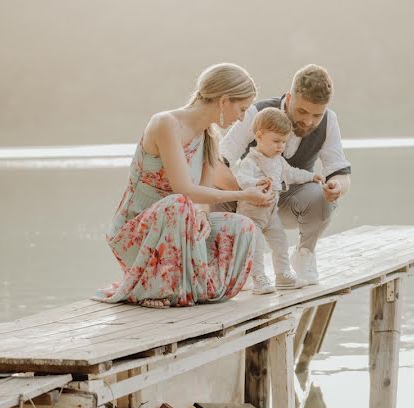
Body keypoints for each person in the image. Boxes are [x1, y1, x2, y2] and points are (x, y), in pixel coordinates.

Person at [96, 63, 273, 308]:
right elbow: (184, 189)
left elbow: (201, 196)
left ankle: (194, 290)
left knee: (242, 226)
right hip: (138, 231)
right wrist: (245, 194)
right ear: (223, 101)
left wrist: (200, 214)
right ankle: (153, 288)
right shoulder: (165, 124)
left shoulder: (209, 137)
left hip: (181, 223)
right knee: (178, 205)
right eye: (241, 109)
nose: (241, 118)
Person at [218, 64, 351, 285]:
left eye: (316, 115)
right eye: (302, 111)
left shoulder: (329, 120)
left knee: (320, 196)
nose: (309, 121)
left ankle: (304, 255)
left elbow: (340, 172)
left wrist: (337, 187)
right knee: (217, 189)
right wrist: (245, 193)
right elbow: (219, 160)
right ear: (289, 98)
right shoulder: (256, 113)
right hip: (248, 204)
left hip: (289, 201)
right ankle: (234, 261)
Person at [235, 107, 324, 294]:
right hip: (252, 215)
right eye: (276, 141)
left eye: (284, 142)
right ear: (259, 136)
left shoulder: (278, 160)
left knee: (281, 243)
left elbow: (292, 173)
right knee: (256, 247)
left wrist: (311, 176)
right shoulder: (250, 161)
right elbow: (241, 180)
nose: (280, 146)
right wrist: (256, 182)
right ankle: (258, 278)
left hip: (271, 213)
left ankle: (283, 275)